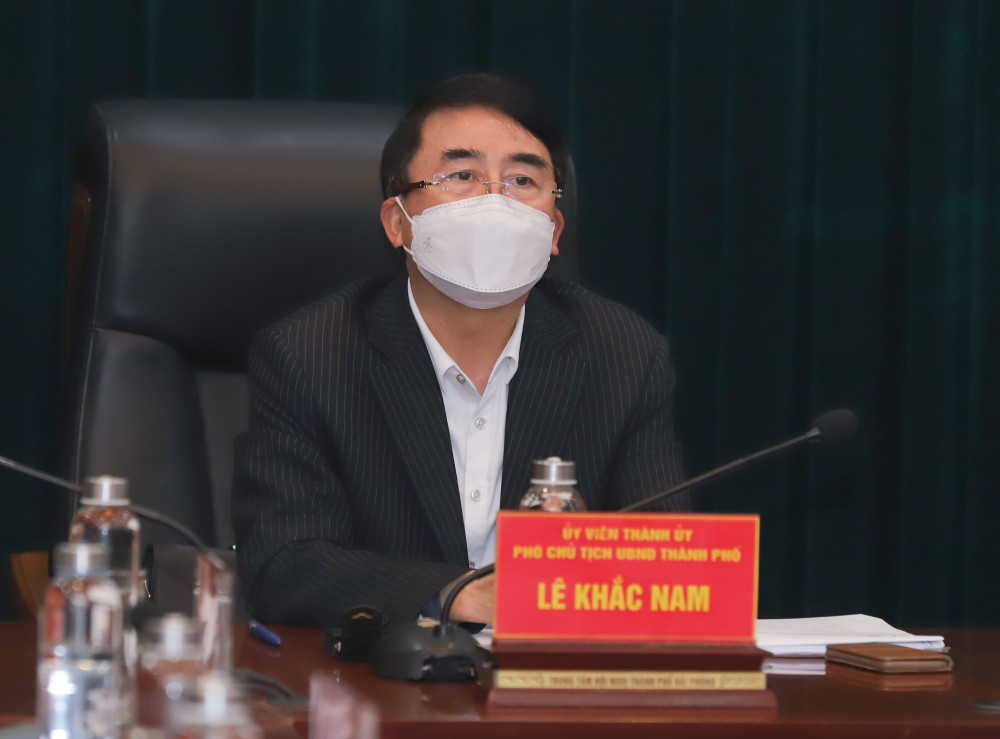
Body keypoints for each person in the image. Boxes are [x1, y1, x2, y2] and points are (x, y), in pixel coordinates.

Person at [232, 72, 687, 629]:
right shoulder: (310, 356)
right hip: (381, 673)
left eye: (522, 180)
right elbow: (283, 565)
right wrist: (459, 596)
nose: (495, 201)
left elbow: (667, 566)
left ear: (553, 230)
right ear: (398, 222)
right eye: (462, 175)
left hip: (552, 672)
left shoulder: (623, 355)